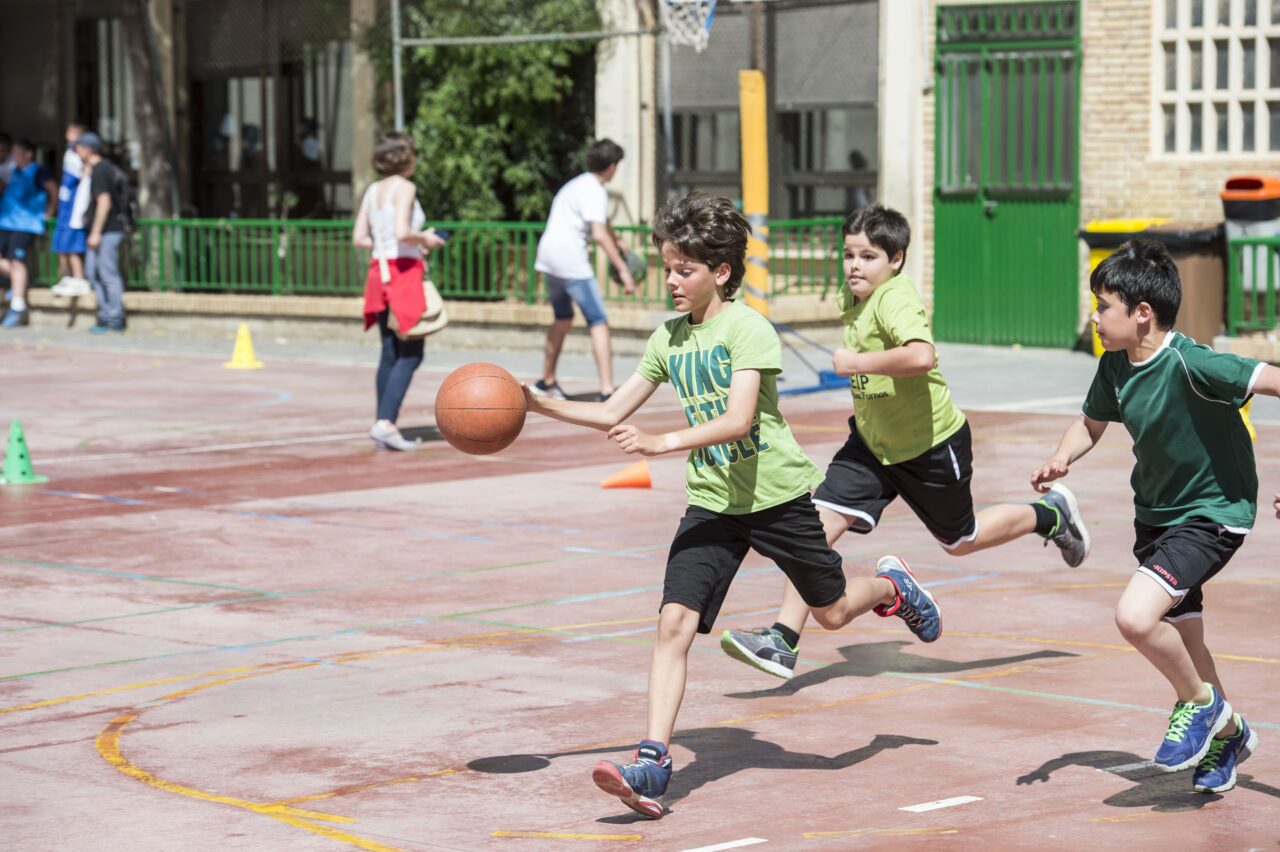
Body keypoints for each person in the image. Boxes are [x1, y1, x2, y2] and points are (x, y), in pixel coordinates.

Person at [523, 192, 941, 820]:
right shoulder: (668, 338)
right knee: (673, 623)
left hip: (775, 498)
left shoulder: (748, 328)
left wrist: (665, 440)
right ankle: (654, 763)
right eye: (666, 267)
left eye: (683, 270)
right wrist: (534, 403)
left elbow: (739, 417)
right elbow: (612, 409)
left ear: (719, 271)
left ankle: (888, 587)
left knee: (828, 614)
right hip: (712, 505)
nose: (670, 281)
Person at [721, 204, 1089, 679]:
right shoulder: (850, 293)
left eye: (869, 256)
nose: (855, 265)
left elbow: (921, 355)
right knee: (813, 530)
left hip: (931, 447)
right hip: (872, 447)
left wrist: (856, 363)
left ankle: (1051, 514)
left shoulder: (895, 297)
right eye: (849, 254)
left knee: (960, 540)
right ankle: (782, 639)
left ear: (895, 260)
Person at [1031, 238, 1278, 794]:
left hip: (1214, 514)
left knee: (1136, 617)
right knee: (1188, 646)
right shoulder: (1116, 366)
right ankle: (1229, 735)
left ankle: (1200, 704)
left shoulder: (1197, 363)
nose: (1094, 317)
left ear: (1143, 313)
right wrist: (1061, 456)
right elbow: (1091, 424)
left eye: (1102, 306)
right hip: (1156, 518)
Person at [351, 132, 446, 452]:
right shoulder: (405, 188)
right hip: (403, 273)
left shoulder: (373, 190)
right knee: (411, 351)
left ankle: (383, 420)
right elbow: (403, 232)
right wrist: (427, 240)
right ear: (405, 158)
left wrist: (392, 245)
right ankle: (386, 423)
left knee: (389, 351)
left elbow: (360, 238)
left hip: (379, 271)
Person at [531, 138, 636, 402]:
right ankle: (607, 390)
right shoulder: (595, 190)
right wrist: (623, 269)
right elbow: (598, 233)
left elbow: (601, 222)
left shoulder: (575, 185)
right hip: (571, 261)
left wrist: (617, 239)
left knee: (563, 317)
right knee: (598, 321)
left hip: (548, 258)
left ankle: (546, 381)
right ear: (612, 167)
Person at [0, 139, 58, 328]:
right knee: (12, 266)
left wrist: (49, 212)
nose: (13, 156)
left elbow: (53, 190)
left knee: (17, 263)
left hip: (26, 224)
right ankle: (21, 281)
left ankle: (18, 306)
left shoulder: (39, 171)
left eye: (16, 152)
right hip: (6, 222)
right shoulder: (12, 171)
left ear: (28, 154)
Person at [74, 132, 128, 333]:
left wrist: (95, 232)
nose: (76, 153)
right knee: (93, 272)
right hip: (102, 231)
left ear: (87, 149)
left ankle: (115, 318)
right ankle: (105, 316)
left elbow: (104, 202)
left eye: (78, 148)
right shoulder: (95, 170)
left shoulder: (101, 170)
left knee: (107, 273)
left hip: (108, 231)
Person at [50, 123, 91, 298]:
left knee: (72, 246)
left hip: (74, 209)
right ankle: (66, 277)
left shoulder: (82, 158)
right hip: (65, 207)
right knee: (61, 245)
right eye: (69, 133)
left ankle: (79, 278)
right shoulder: (69, 153)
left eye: (74, 133)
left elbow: (84, 177)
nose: (70, 137)